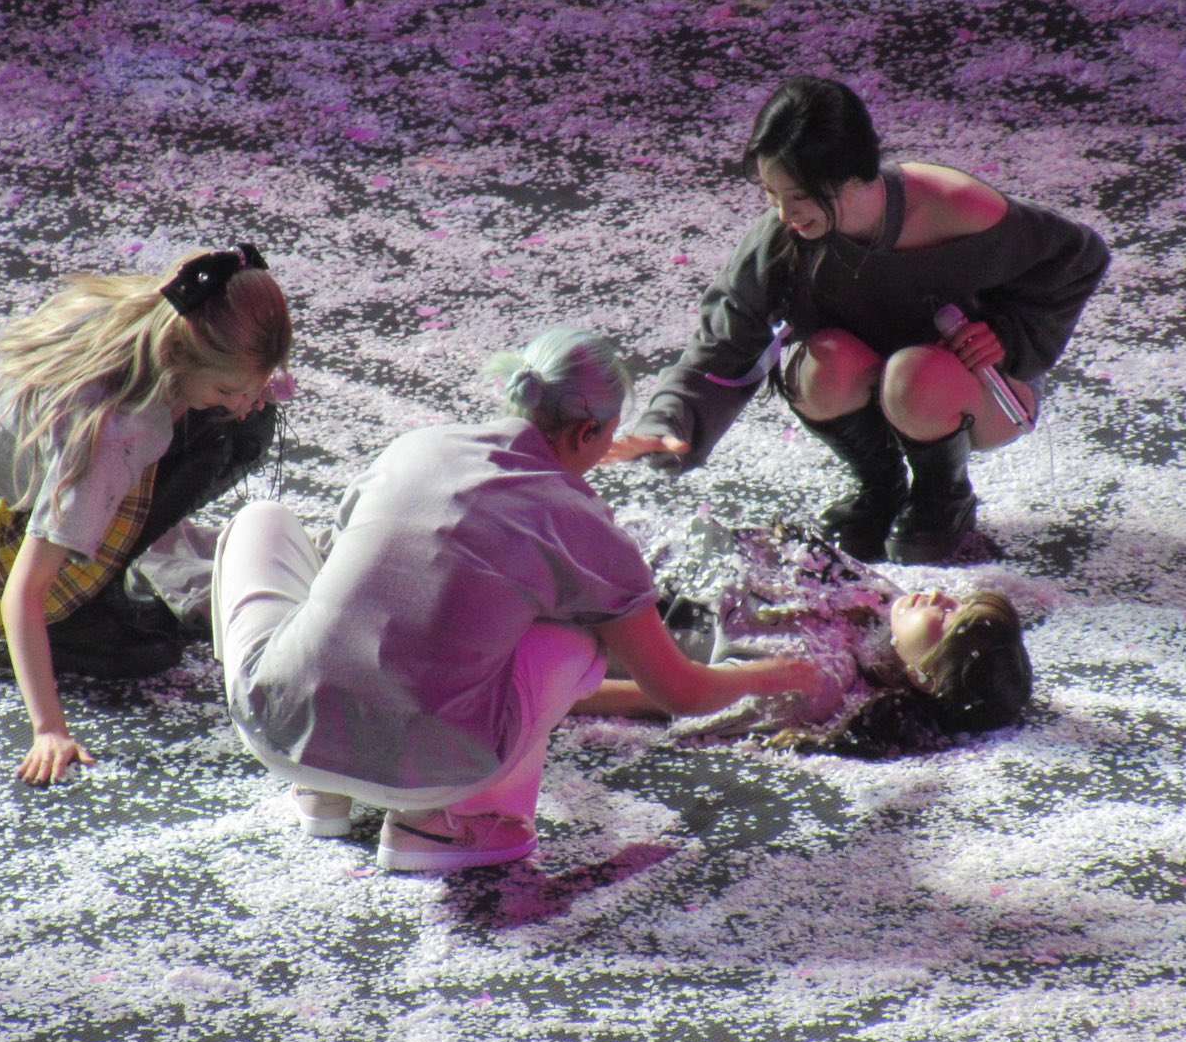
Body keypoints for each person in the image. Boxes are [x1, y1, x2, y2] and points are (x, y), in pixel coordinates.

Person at [210, 330, 825, 872]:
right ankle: (451, 823)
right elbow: (681, 693)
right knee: (580, 633)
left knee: (263, 522)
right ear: (587, 432)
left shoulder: (417, 446)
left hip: (281, 729)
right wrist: (768, 676)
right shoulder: (579, 523)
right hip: (429, 769)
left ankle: (325, 790)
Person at [608, 76, 1109, 564]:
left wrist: (1008, 333)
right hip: (875, 390)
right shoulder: (782, 239)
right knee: (823, 361)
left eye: (798, 196)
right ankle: (881, 488)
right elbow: (723, 343)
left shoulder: (955, 208)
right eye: (770, 195)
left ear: (851, 179)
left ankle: (944, 498)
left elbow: (1079, 257)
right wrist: (667, 422)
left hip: (973, 390)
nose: (784, 214)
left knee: (912, 372)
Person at [0, 244, 292, 785]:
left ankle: (96, 574)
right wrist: (48, 729)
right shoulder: (112, 435)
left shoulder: (155, 314)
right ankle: (74, 620)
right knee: (222, 443)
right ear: (180, 357)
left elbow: (221, 390)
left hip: (5, 464)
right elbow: (22, 592)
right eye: (228, 388)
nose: (243, 399)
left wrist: (240, 393)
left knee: (243, 424)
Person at [610, 518, 1035, 754]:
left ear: (925, 677)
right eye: (959, 602)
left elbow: (672, 692)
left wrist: (569, 692)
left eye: (947, 622)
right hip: (636, 551)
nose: (940, 598)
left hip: (612, 612)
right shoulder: (882, 604)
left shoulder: (816, 682)